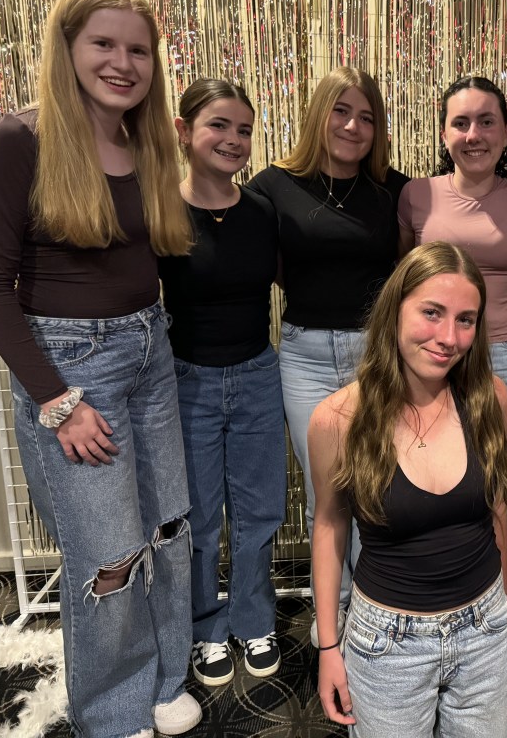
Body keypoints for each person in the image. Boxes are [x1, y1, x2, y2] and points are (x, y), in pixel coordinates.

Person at [0, 0, 201, 736]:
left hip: (149, 350)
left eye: (139, 49)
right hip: (73, 368)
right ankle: (113, 712)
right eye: (104, 43)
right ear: (67, 46)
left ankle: (164, 680)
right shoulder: (21, 139)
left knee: (168, 528)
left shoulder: (146, 140)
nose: (122, 63)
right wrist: (56, 400)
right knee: (109, 556)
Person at [310, 241, 507, 737]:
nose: (448, 338)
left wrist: (505, 605)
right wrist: (329, 647)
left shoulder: (490, 398)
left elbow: (501, 510)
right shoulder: (338, 419)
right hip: (388, 645)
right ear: (395, 310)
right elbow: (329, 528)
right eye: (432, 313)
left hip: (485, 631)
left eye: (466, 320)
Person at [247, 67, 409, 645]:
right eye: (341, 111)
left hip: (375, 355)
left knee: (378, 483)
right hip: (306, 355)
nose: (353, 126)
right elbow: (266, 263)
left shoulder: (393, 189)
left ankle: (374, 599)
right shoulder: (273, 186)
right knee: (326, 488)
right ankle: (333, 607)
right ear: (319, 114)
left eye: (367, 117)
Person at [159, 79, 285, 687]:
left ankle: (254, 619)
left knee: (261, 510)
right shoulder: (160, 211)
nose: (233, 140)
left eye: (244, 130)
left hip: (259, 375)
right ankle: (206, 627)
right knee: (201, 517)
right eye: (219, 125)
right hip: (188, 383)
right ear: (184, 131)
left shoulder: (261, 211)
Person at [398, 75, 507, 436]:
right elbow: (401, 275)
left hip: (502, 355)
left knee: (502, 464)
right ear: (444, 134)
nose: (473, 135)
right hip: (431, 354)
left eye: (486, 121)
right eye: (461, 123)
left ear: (506, 131)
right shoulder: (416, 194)